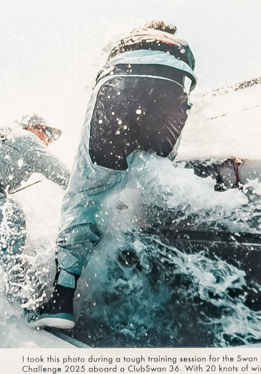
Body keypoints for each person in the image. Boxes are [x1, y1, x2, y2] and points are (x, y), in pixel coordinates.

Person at [35, 20, 197, 330]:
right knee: (154, 171)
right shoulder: (182, 46)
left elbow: (96, 80)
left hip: (119, 85)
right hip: (174, 91)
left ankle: (61, 301)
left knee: (86, 193)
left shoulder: (126, 38)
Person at [0, 116, 70, 299]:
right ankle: (11, 294)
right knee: (13, 218)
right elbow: (63, 174)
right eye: (48, 133)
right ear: (34, 128)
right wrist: (90, 191)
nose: (49, 140)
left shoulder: (8, 136)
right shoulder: (27, 138)